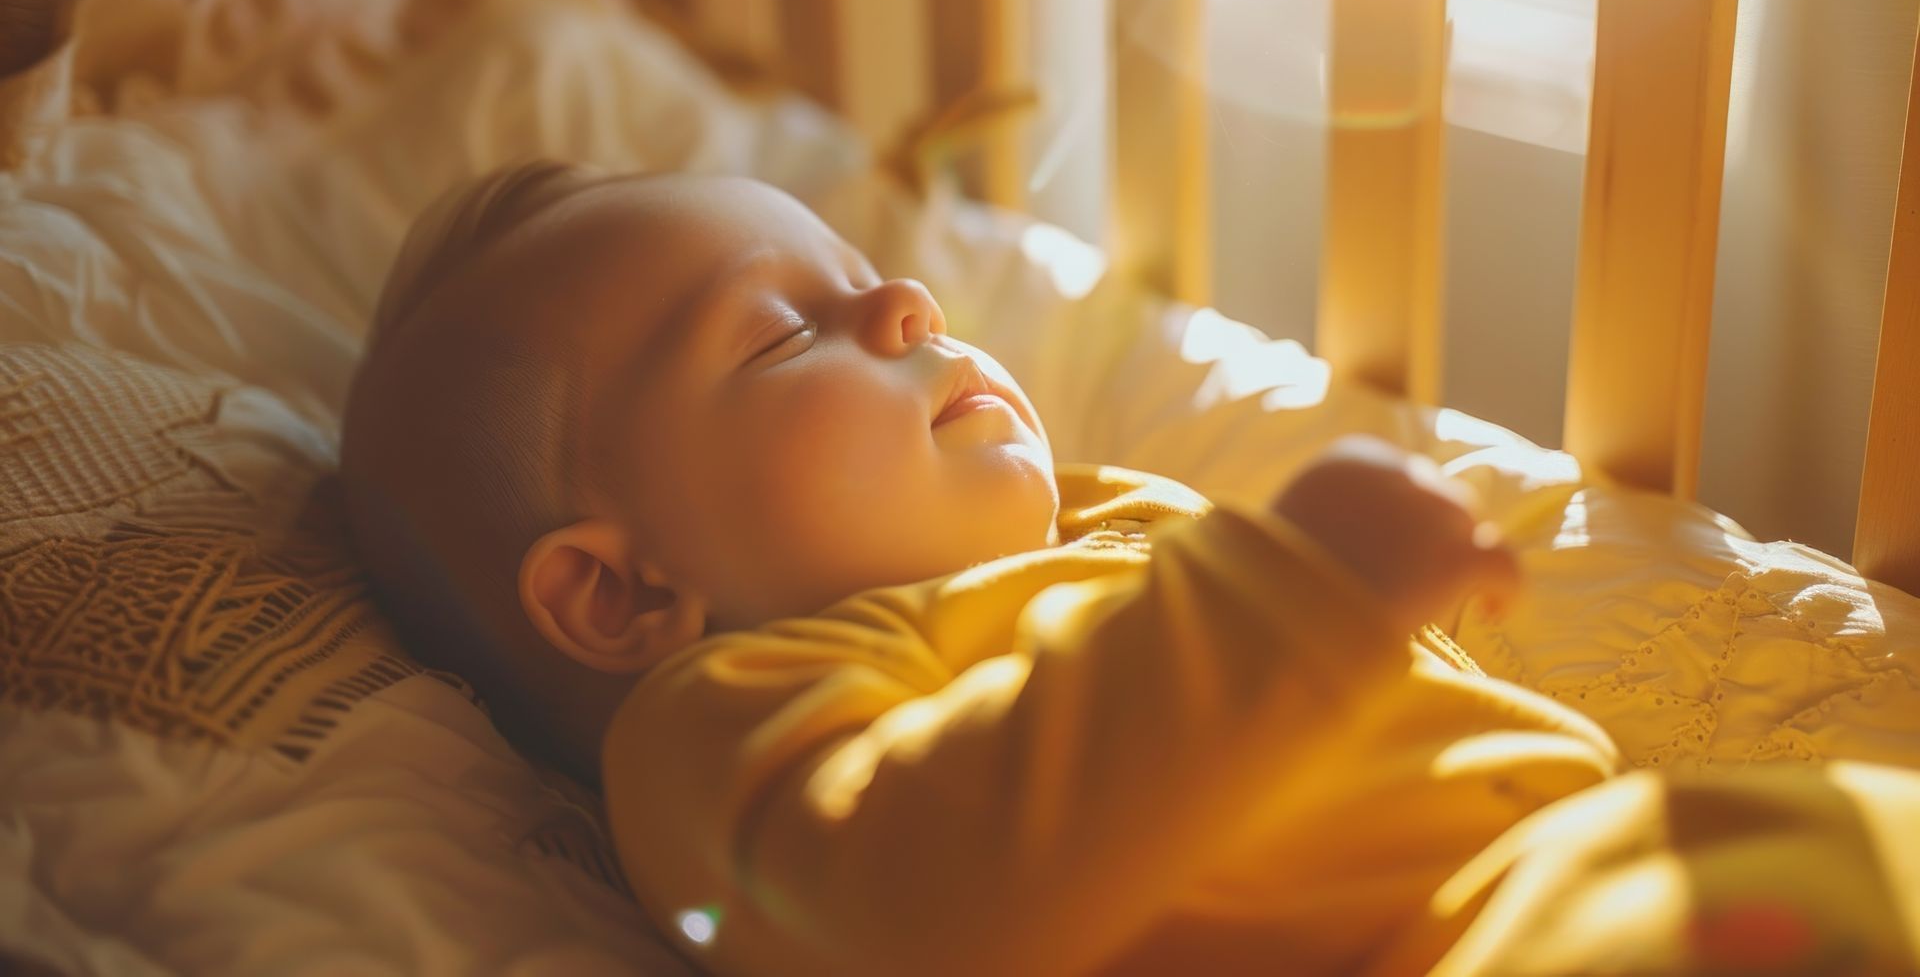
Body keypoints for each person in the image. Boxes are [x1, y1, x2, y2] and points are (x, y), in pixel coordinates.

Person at [340, 161, 1919, 977]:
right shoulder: (732, 714)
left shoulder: (1112, 523)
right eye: (777, 334)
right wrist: (1295, 594)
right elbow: (908, 915)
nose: (902, 299)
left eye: (863, 273)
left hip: (1603, 867)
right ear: (624, 594)